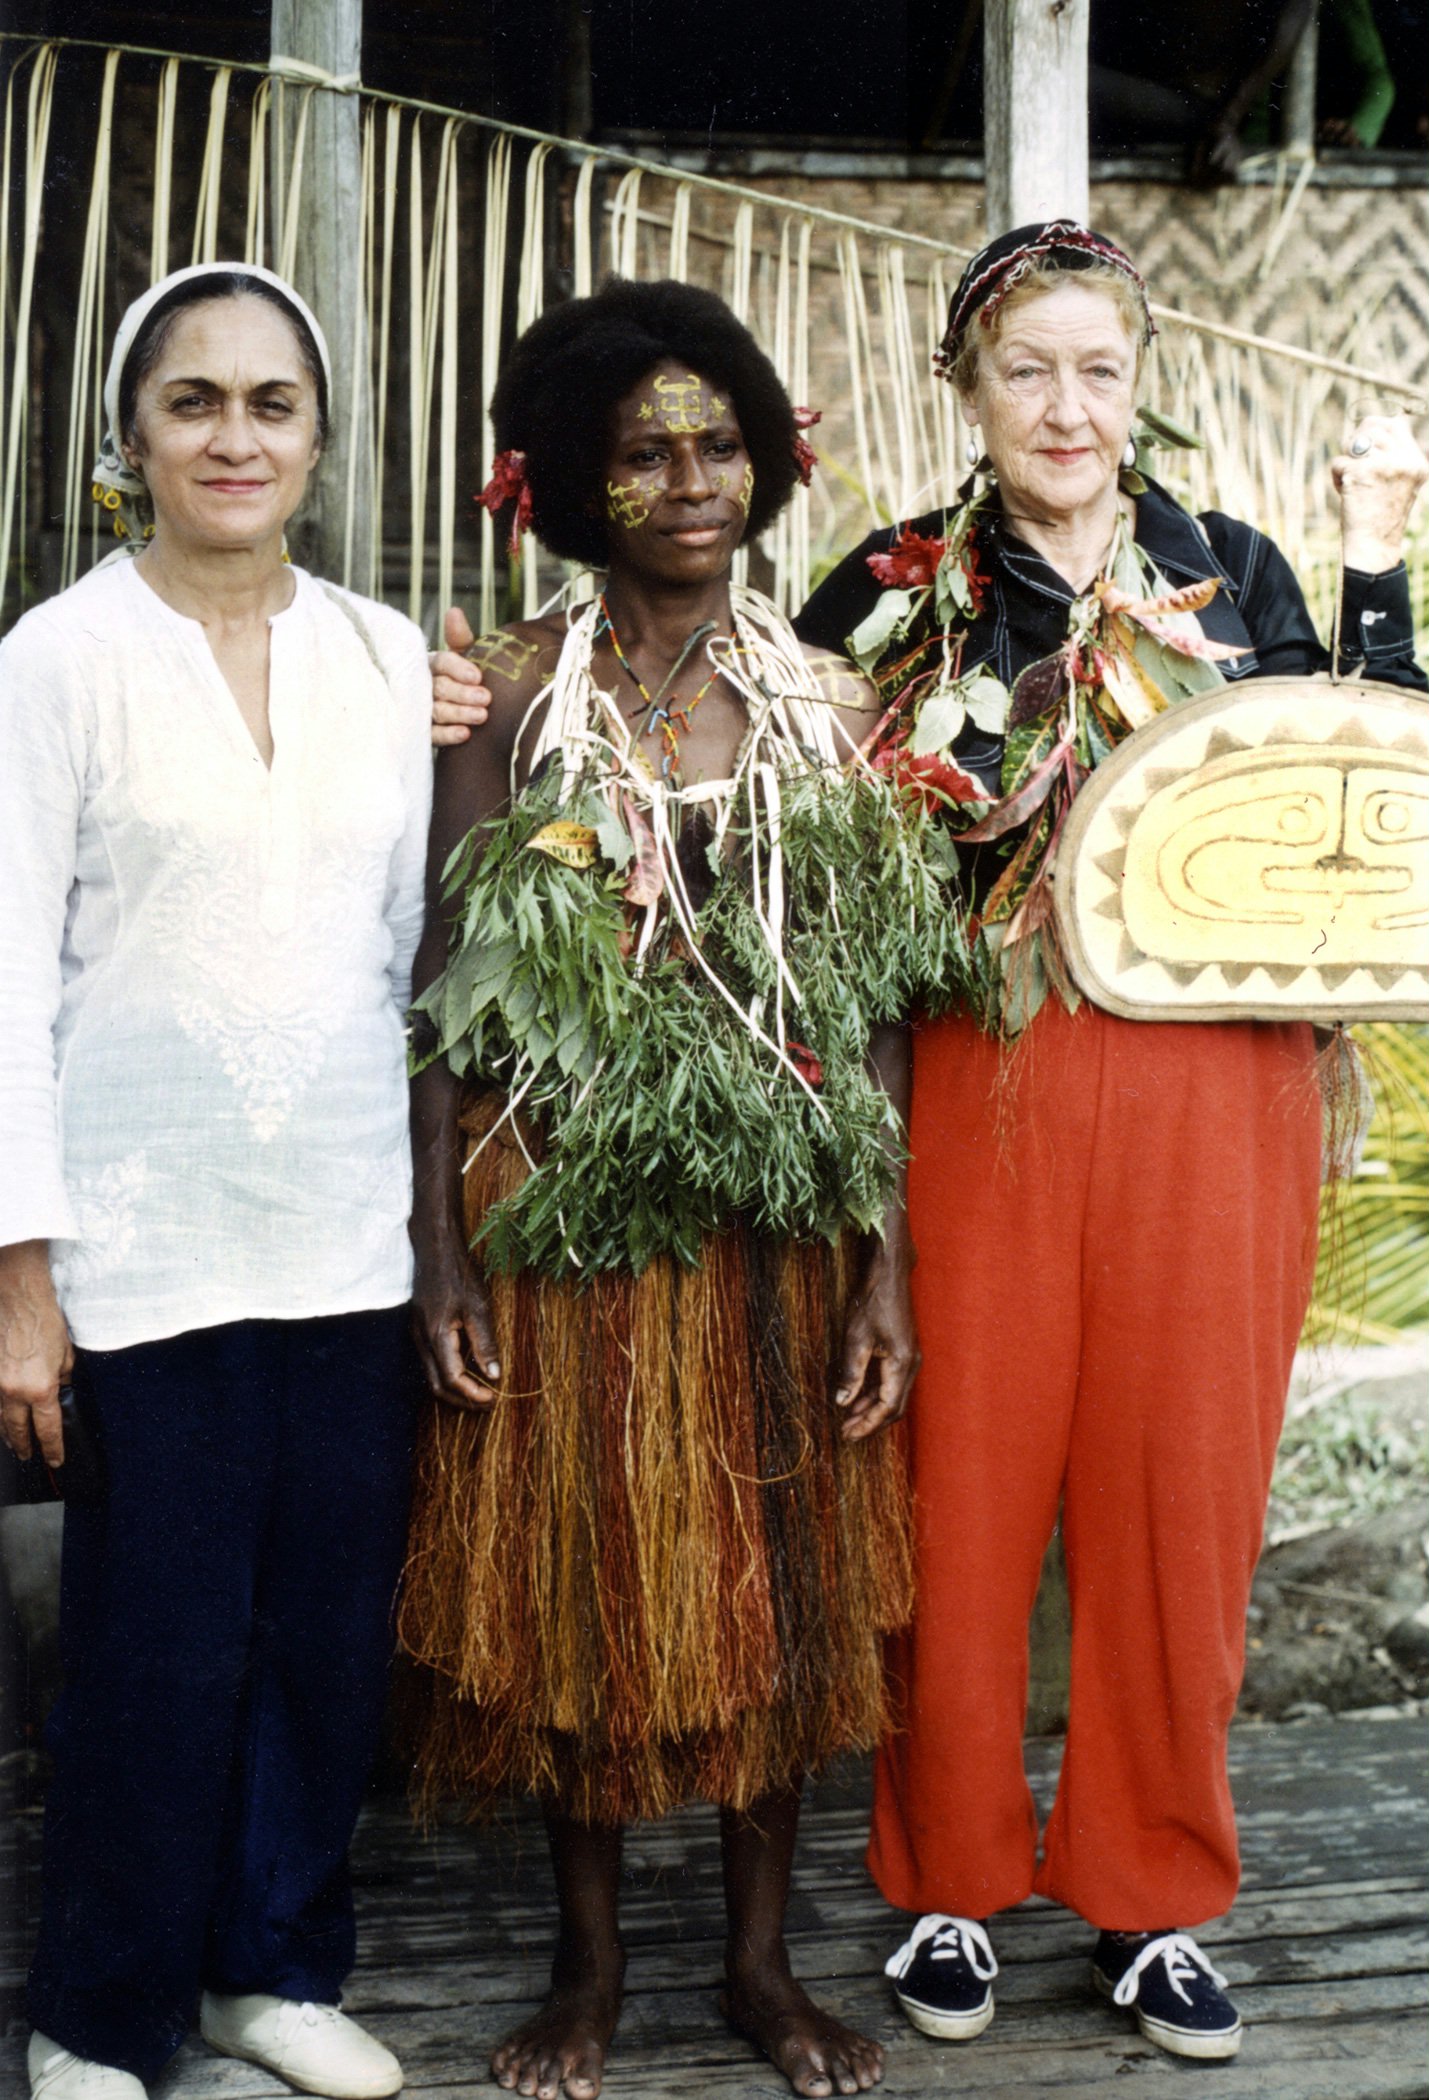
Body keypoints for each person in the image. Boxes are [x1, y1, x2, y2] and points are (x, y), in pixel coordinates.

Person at [791, 220, 1428, 2064]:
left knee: (1179, 1496)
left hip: (1217, 1089)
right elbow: (803, 833)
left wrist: (1372, 561)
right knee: (960, 1492)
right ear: (965, 387)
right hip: (978, 1085)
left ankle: (1149, 1891)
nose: (1063, 405)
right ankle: (948, 1880)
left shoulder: (1224, 573)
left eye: (1096, 367)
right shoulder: (891, 584)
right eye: (1024, 369)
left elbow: (1372, 796)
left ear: (1136, 385)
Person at [400, 276, 954, 2100]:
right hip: (565, 1223)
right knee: (582, 1586)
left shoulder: (823, 697)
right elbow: (445, 993)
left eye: (716, 443)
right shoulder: (512, 700)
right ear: (574, 476)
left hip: (782, 1235)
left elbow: (871, 999)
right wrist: (441, 1252)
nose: (690, 479)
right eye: (643, 452)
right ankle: (589, 1973)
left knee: (775, 1595)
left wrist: (884, 1269)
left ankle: (755, 1969)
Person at [0, 262, 452, 2100]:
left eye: (272, 402)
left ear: (321, 440)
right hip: (144, 1242)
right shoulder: (59, 660)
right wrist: (21, 1274)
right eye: (195, 401)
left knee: (327, 1640)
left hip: (345, 1235)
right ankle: (97, 2014)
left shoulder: (387, 660)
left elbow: (410, 946)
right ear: (132, 439)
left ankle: (269, 1971)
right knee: (151, 1654)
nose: (235, 435)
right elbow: (7, 969)